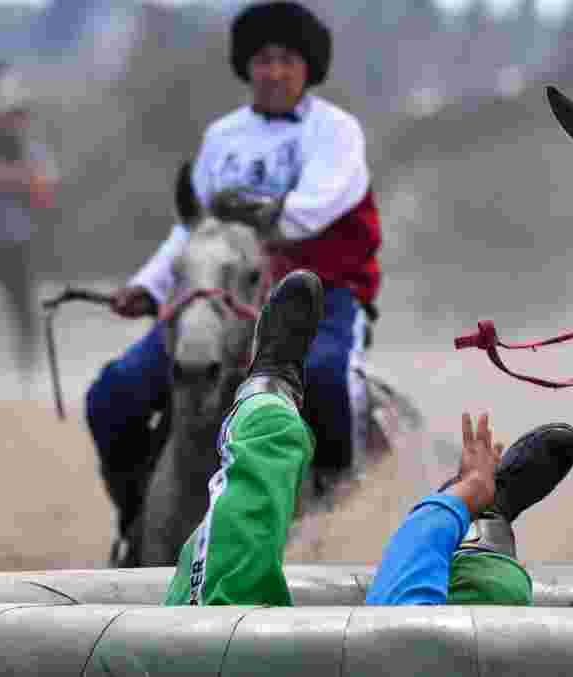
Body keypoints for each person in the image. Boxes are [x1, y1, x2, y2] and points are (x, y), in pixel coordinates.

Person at [86, 1, 382, 560]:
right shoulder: (222, 136)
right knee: (113, 394)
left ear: (307, 67)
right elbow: (191, 231)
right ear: (246, 67)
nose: (272, 71)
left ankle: (331, 515)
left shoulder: (337, 133)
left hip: (318, 297)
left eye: (285, 59)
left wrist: (253, 211)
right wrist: (148, 286)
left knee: (320, 377)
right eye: (262, 60)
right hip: (218, 298)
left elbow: (316, 209)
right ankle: (135, 521)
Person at [164, 269, 573, 607]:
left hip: (306, 287)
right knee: (490, 593)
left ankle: (269, 397)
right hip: (229, 298)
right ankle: (483, 521)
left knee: (118, 394)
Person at [0, 63, 58, 384]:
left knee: (24, 313)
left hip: (16, 244)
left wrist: (12, 177)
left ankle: (27, 378)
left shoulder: (30, 150)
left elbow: (44, 193)